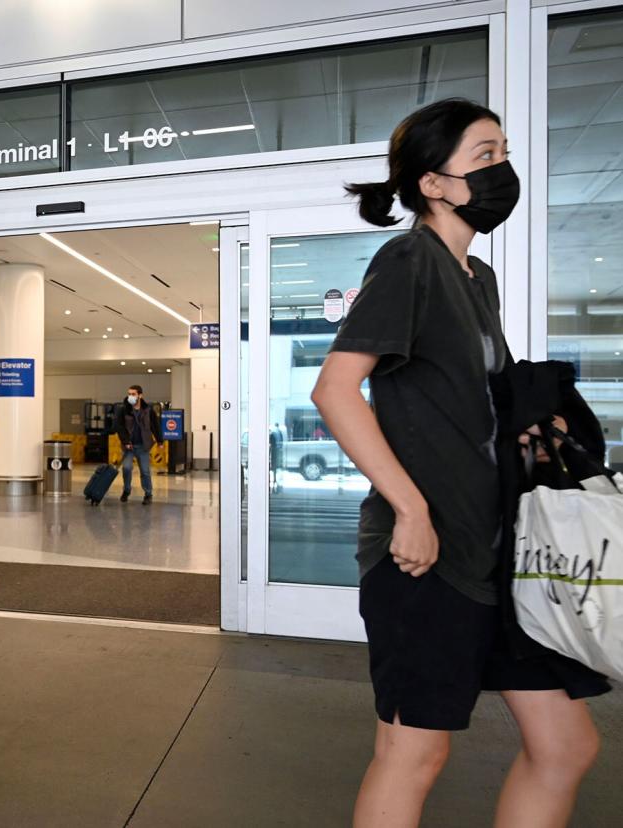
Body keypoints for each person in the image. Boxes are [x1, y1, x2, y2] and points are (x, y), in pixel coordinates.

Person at [312, 98, 606, 828]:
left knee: (565, 745)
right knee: (414, 753)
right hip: (427, 559)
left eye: (502, 150)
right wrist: (410, 510)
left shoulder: (478, 278)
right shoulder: (410, 259)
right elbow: (336, 390)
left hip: (496, 552)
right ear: (433, 183)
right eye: (484, 155)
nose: (501, 167)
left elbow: (476, 403)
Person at [115, 385, 162, 504]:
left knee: (145, 471)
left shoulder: (148, 410)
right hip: (128, 446)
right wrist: (125, 442)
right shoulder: (123, 410)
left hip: (143, 446)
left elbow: (155, 426)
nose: (130, 396)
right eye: (129, 394)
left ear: (140, 395)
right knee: (126, 468)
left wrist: (160, 440)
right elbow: (119, 427)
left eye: (133, 394)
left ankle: (148, 494)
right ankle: (126, 490)